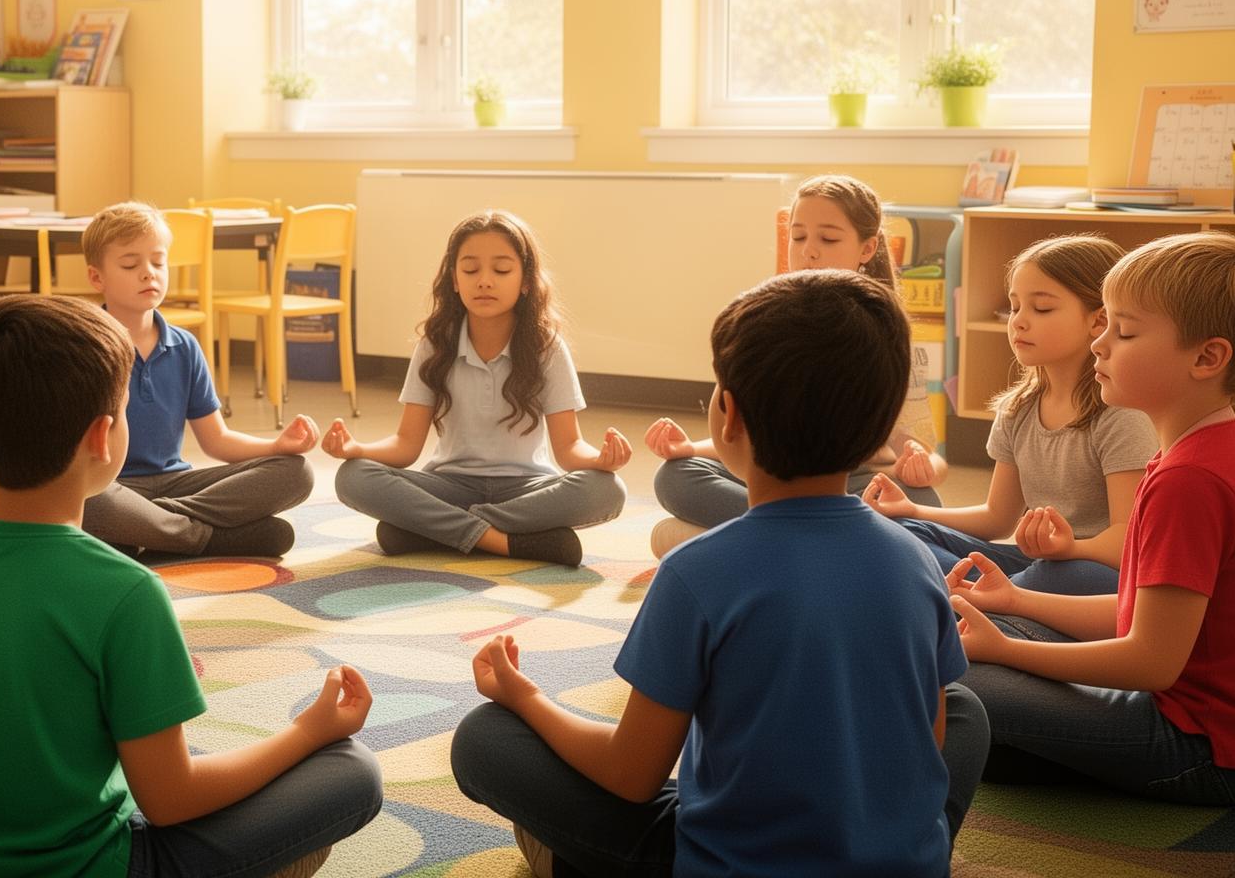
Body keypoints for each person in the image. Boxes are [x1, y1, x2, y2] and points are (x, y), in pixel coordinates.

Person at [451, 269, 987, 876]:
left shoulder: (694, 572)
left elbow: (631, 775)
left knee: (484, 739)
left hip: (730, 859)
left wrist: (526, 696)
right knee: (964, 709)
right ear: (881, 424)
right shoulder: (915, 557)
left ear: (727, 414)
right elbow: (931, 744)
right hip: (896, 858)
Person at [0, 295, 383, 876]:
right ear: (103, 436)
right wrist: (308, 730)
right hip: (87, 866)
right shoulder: (127, 591)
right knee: (352, 772)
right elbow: (171, 801)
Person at [952, 232, 1235, 804]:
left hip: (1208, 751)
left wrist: (1002, 650)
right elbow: (1136, 616)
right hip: (1204, 725)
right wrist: (1013, 603)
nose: (1100, 345)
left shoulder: (1191, 479)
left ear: (1207, 357)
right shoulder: (1191, 452)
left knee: (947, 667)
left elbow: (1150, 661)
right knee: (975, 638)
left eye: (1125, 331)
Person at [645, 174, 945, 556]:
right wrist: (690, 447)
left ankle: (723, 544)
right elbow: (746, 432)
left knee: (924, 503)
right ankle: (822, 547)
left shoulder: (885, 331)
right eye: (798, 237)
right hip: (773, 476)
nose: (810, 251)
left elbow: (924, 454)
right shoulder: (769, 320)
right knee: (676, 476)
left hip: (850, 483)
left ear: (867, 248)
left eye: (829, 239)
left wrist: (923, 467)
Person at [323, 210, 629, 568]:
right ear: (454, 279)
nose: (484, 281)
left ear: (526, 281)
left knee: (607, 490)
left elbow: (568, 448)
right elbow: (406, 445)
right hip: (449, 484)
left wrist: (601, 460)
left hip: (526, 487)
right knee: (353, 477)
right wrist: (355, 448)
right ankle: (502, 541)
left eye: (501, 270)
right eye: (470, 270)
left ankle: (433, 531)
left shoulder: (547, 346)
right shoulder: (434, 345)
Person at [865, 235, 1155, 595]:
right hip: (1033, 563)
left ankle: (978, 597)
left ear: (1099, 321)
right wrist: (912, 510)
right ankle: (988, 596)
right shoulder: (1017, 409)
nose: (1018, 322)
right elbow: (997, 518)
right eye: (1014, 307)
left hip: (1089, 567)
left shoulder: (1121, 412)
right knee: (906, 534)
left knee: (1069, 575)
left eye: (1042, 309)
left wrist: (1068, 549)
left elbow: (1128, 538)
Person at [77, 202, 317, 558]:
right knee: (90, 501)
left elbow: (216, 440)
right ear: (97, 278)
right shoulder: (83, 345)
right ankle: (208, 538)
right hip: (111, 486)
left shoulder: (185, 346)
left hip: (177, 485)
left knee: (297, 472)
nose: (149, 273)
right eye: (131, 264)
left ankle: (154, 531)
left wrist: (277, 446)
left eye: (158, 263)